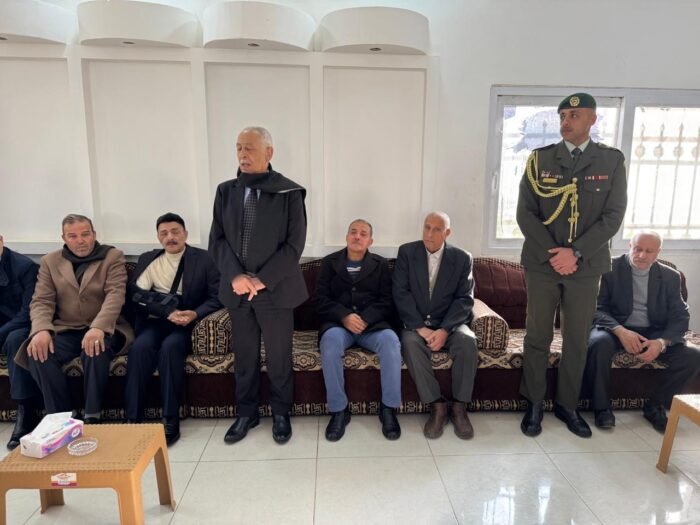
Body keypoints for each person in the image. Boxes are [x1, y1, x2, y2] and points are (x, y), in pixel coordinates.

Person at [516, 92, 627, 438]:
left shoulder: (610, 161)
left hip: (586, 266)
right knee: (538, 335)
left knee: (577, 339)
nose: (566, 121)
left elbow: (613, 216)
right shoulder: (539, 159)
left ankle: (567, 405)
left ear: (592, 119)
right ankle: (534, 403)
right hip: (542, 263)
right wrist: (556, 253)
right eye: (563, 115)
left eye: (574, 116)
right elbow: (525, 213)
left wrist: (575, 252)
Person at [209, 126, 307, 444]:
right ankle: (246, 414)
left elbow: (294, 246)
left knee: (279, 357)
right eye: (239, 147)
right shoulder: (226, 191)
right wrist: (237, 277)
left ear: (269, 152)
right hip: (238, 291)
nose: (242, 154)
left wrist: (260, 279)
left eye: (249, 148)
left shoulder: (289, 193)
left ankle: (281, 413)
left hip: (275, 291)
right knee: (245, 356)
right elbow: (217, 240)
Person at [17, 214, 133, 423]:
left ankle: (92, 415)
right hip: (68, 328)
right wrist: (41, 330)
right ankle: (62, 418)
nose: (80, 240)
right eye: (73, 236)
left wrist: (98, 327)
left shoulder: (112, 256)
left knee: (95, 349)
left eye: (85, 234)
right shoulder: (50, 261)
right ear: (64, 238)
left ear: (94, 234)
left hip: (107, 328)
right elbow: (42, 300)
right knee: (37, 352)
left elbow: (115, 295)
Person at [584, 231, 700, 432]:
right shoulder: (608, 268)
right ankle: (601, 408)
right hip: (615, 328)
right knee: (598, 343)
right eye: (637, 249)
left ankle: (655, 406)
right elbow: (596, 308)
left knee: (693, 356)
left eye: (649, 251)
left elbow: (680, 316)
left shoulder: (671, 276)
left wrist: (662, 342)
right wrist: (620, 331)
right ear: (630, 246)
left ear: (658, 252)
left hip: (654, 332)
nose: (642, 255)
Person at [125, 213, 221, 446]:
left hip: (186, 322)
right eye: (164, 233)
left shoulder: (205, 259)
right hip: (156, 321)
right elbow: (136, 295)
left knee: (170, 348)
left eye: (175, 231)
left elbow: (218, 296)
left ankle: (170, 419)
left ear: (185, 234)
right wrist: (165, 312)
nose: (170, 237)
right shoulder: (149, 259)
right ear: (158, 238)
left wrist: (195, 314)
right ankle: (132, 419)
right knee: (140, 348)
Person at [393, 212, 478, 440]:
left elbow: (464, 299)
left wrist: (444, 330)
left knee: (468, 341)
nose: (429, 234)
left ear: (447, 233)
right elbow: (400, 293)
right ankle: (437, 406)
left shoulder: (462, 258)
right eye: (426, 227)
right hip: (416, 324)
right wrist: (420, 328)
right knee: (410, 344)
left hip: (450, 323)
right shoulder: (407, 252)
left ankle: (459, 408)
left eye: (436, 229)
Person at [316, 219, 401, 441]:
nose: (357, 236)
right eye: (353, 232)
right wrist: (344, 316)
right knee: (329, 343)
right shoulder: (329, 263)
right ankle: (339, 411)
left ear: (370, 241)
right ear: (346, 237)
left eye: (363, 234)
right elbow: (320, 300)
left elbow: (387, 300)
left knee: (391, 342)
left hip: (372, 327)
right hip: (339, 326)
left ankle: (388, 409)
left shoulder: (381, 265)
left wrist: (366, 318)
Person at [0, 234, 41, 449]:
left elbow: (28, 312)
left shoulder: (25, 267)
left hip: (24, 324)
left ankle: (26, 411)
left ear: (1, 241)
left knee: (15, 340)